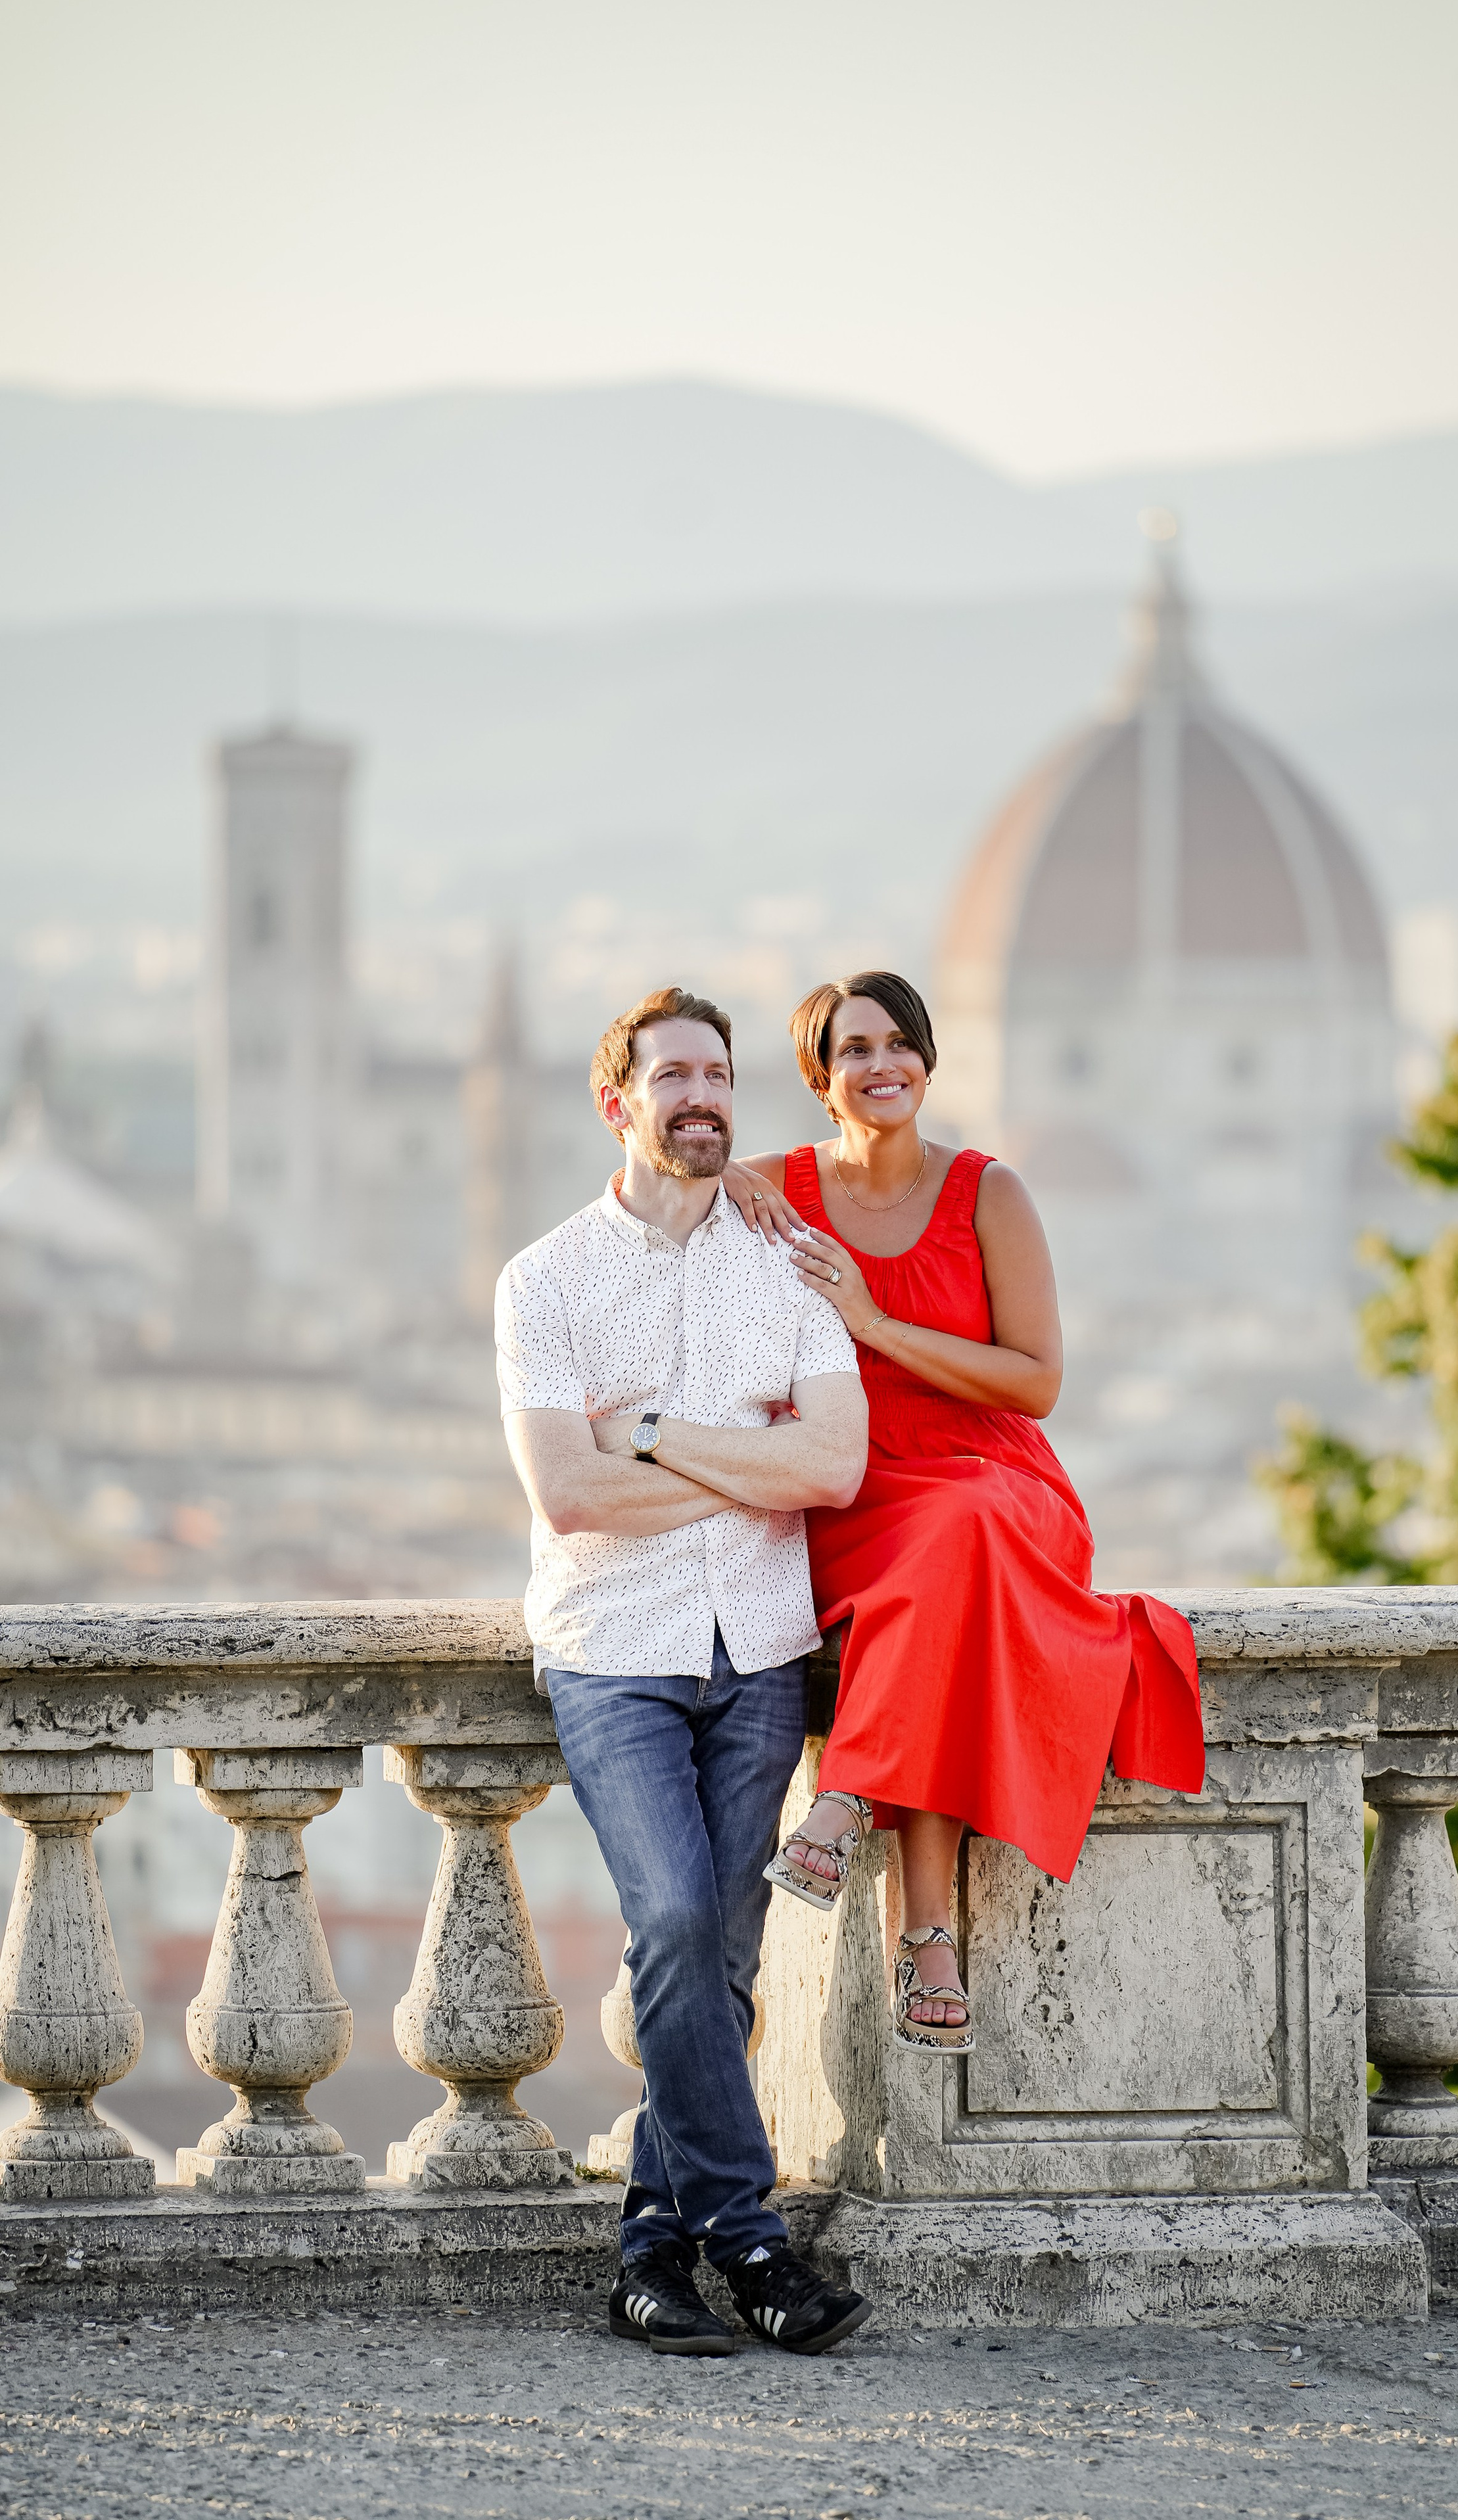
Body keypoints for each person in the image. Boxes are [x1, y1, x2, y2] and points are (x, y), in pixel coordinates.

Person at [722, 971, 1204, 2053]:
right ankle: (924, 1934)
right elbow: (654, 1171)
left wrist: (871, 1321)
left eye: (902, 1044)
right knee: (933, 1597)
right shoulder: (775, 1190)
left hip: (998, 1480)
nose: (883, 1065)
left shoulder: (992, 1194)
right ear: (820, 1077)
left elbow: (1036, 1382)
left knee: (958, 1534)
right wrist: (727, 1182)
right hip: (854, 1487)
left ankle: (857, 1815)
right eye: (855, 1050)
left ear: (929, 1064)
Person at [496, 984, 872, 2359]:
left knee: (719, 1958)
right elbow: (570, 1499)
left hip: (760, 1652)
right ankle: (753, 2241)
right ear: (619, 1103)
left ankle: (651, 2254)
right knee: (667, 1927)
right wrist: (734, 1462)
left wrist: (648, 1434)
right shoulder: (543, 1282)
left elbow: (830, 1468)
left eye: (720, 1073)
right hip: (616, 1657)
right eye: (674, 1075)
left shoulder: (786, 1266)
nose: (704, 1094)